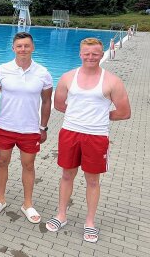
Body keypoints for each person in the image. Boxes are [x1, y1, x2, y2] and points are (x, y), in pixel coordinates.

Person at [46, 38, 131, 243]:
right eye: (87, 53)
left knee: (93, 180)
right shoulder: (68, 77)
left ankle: (90, 222)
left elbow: (124, 112)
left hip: (97, 136)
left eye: (95, 53)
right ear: (80, 54)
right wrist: (79, 115)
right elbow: (58, 104)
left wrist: (101, 116)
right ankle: (61, 215)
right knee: (67, 176)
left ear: (102, 54)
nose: (90, 57)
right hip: (70, 133)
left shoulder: (112, 81)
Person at [0, 32, 53, 223]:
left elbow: (47, 101)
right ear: (13, 48)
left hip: (30, 129)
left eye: (26, 46)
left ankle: (28, 204)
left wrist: (43, 127)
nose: (23, 49)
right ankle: (1, 199)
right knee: (2, 162)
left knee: (28, 165)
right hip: (5, 126)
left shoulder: (43, 73)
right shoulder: (2, 70)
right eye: (19, 46)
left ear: (32, 48)